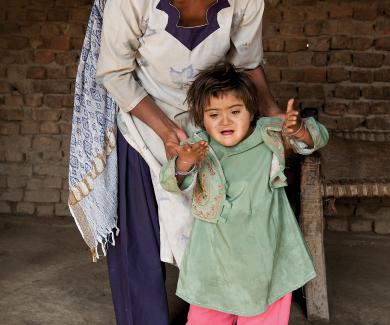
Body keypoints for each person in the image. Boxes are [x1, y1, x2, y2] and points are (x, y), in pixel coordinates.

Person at [70, 0, 284, 324]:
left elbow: (247, 64)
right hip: (143, 120)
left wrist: (274, 114)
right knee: (139, 244)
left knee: (217, 231)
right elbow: (114, 73)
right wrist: (165, 130)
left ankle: (220, 310)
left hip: (211, 123)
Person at [159, 63, 329, 324]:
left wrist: (299, 131)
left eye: (235, 111)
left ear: (251, 112)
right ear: (201, 118)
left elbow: (317, 138)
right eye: (213, 114)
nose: (225, 121)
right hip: (214, 264)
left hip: (266, 258)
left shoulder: (268, 136)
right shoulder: (198, 147)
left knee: (263, 315)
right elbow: (170, 181)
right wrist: (185, 162)